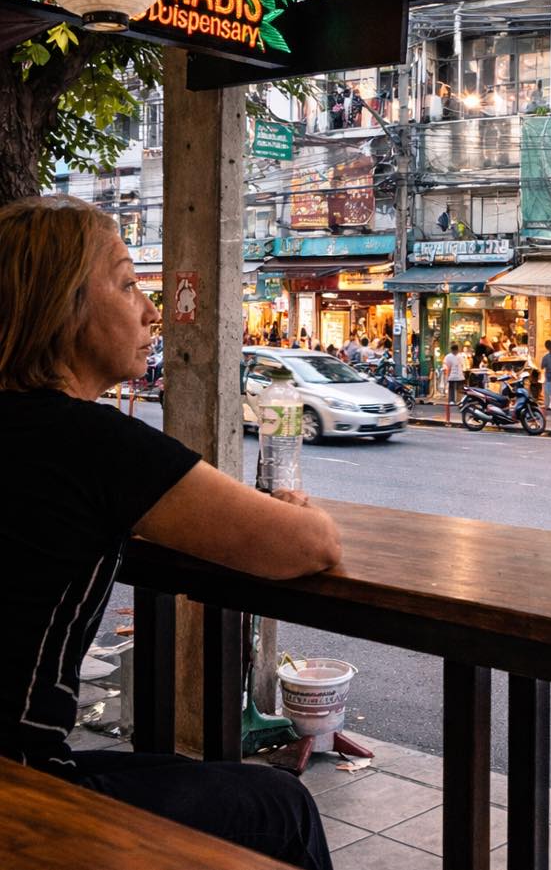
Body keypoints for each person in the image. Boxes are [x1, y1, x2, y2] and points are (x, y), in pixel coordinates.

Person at [0, 196, 341, 870]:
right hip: (23, 778)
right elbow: (309, 546)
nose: (152, 310)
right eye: (127, 283)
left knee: (176, 770)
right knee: (283, 806)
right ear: (61, 307)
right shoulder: (93, 442)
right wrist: (307, 511)